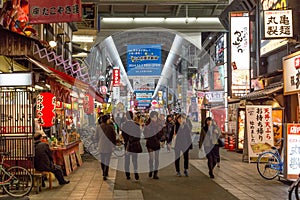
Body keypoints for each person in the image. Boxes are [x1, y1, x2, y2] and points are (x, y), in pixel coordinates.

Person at [121, 111, 142, 180]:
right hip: (134, 144)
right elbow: (139, 136)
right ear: (132, 116)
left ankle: (127, 175)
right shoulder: (137, 125)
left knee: (127, 160)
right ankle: (136, 172)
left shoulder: (124, 125)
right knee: (134, 160)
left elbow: (123, 135)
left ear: (126, 117)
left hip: (127, 144)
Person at [144, 111, 163, 179]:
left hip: (156, 143)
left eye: (155, 117)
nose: (154, 119)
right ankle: (151, 170)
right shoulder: (147, 124)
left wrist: (159, 138)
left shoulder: (159, 124)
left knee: (157, 158)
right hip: (150, 142)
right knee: (151, 158)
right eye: (153, 117)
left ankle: (155, 173)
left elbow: (161, 133)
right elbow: (145, 133)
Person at [97, 114, 116, 181]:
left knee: (102, 160)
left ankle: (104, 172)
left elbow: (96, 137)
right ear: (107, 120)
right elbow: (114, 136)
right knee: (107, 160)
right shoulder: (110, 127)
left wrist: (97, 141)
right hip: (108, 146)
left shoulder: (98, 127)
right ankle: (105, 173)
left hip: (101, 146)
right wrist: (114, 144)